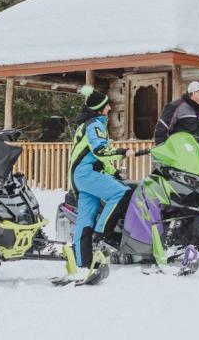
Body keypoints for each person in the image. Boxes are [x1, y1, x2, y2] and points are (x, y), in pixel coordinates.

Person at [68, 85, 135, 268]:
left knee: (85, 219)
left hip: (81, 174)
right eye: (107, 106)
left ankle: (82, 262)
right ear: (99, 109)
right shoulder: (94, 125)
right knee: (122, 193)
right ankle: (102, 233)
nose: (110, 108)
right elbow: (100, 151)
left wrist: (113, 172)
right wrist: (123, 151)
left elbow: (94, 155)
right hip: (87, 173)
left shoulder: (87, 124)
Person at [153, 80, 199, 152]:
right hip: (179, 157)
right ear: (194, 93)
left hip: (197, 158)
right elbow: (161, 130)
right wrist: (165, 152)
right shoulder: (175, 106)